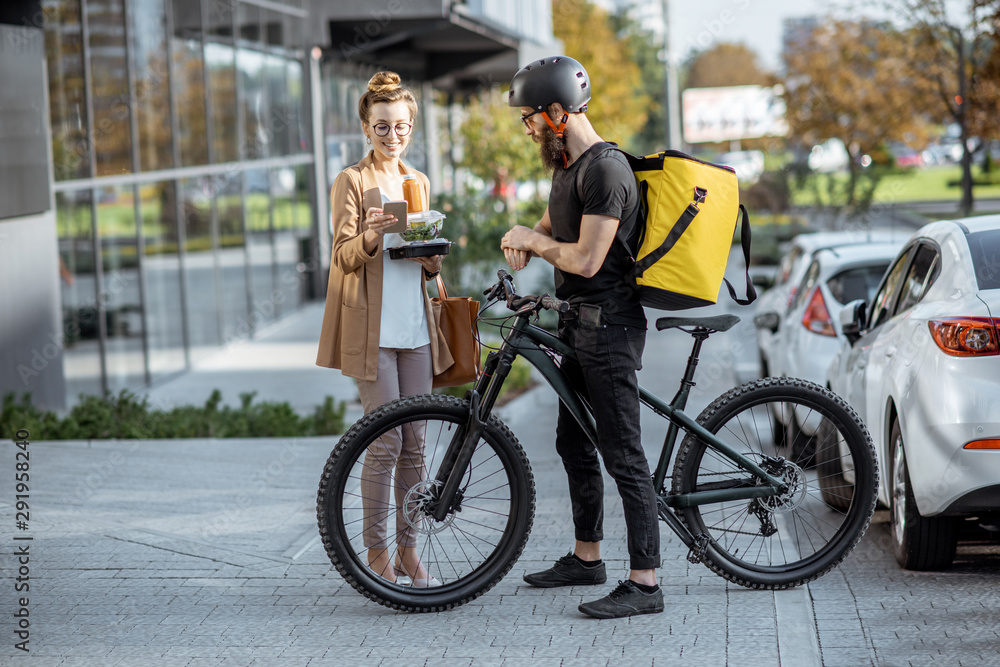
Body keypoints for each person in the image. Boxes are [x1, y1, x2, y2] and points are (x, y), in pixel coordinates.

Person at [500, 56, 663, 618]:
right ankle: (587, 557)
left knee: (624, 455)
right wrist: (527, 235)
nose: (527, 130)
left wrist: (536, 241)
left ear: (557, 112)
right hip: (578, 323)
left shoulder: (607, 170)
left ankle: (645, 583)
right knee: (573, 443)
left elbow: (588, 259)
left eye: (530, 120)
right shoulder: (567, 164)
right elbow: (553, 225)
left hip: (610, 328)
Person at [316, 71, 452, 588]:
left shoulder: (418, 182)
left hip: (416, 329)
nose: (391, 135)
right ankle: (377, 553)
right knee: (385, 443)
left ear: (411, 127)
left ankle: (409, 549)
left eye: (400, 126)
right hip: (372, 331)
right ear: (366, 127)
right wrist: (370, 234)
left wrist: (434, 259)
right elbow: (341, 257)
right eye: (381, 126)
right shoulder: (352, 181)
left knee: (416, 442)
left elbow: (425, 264)